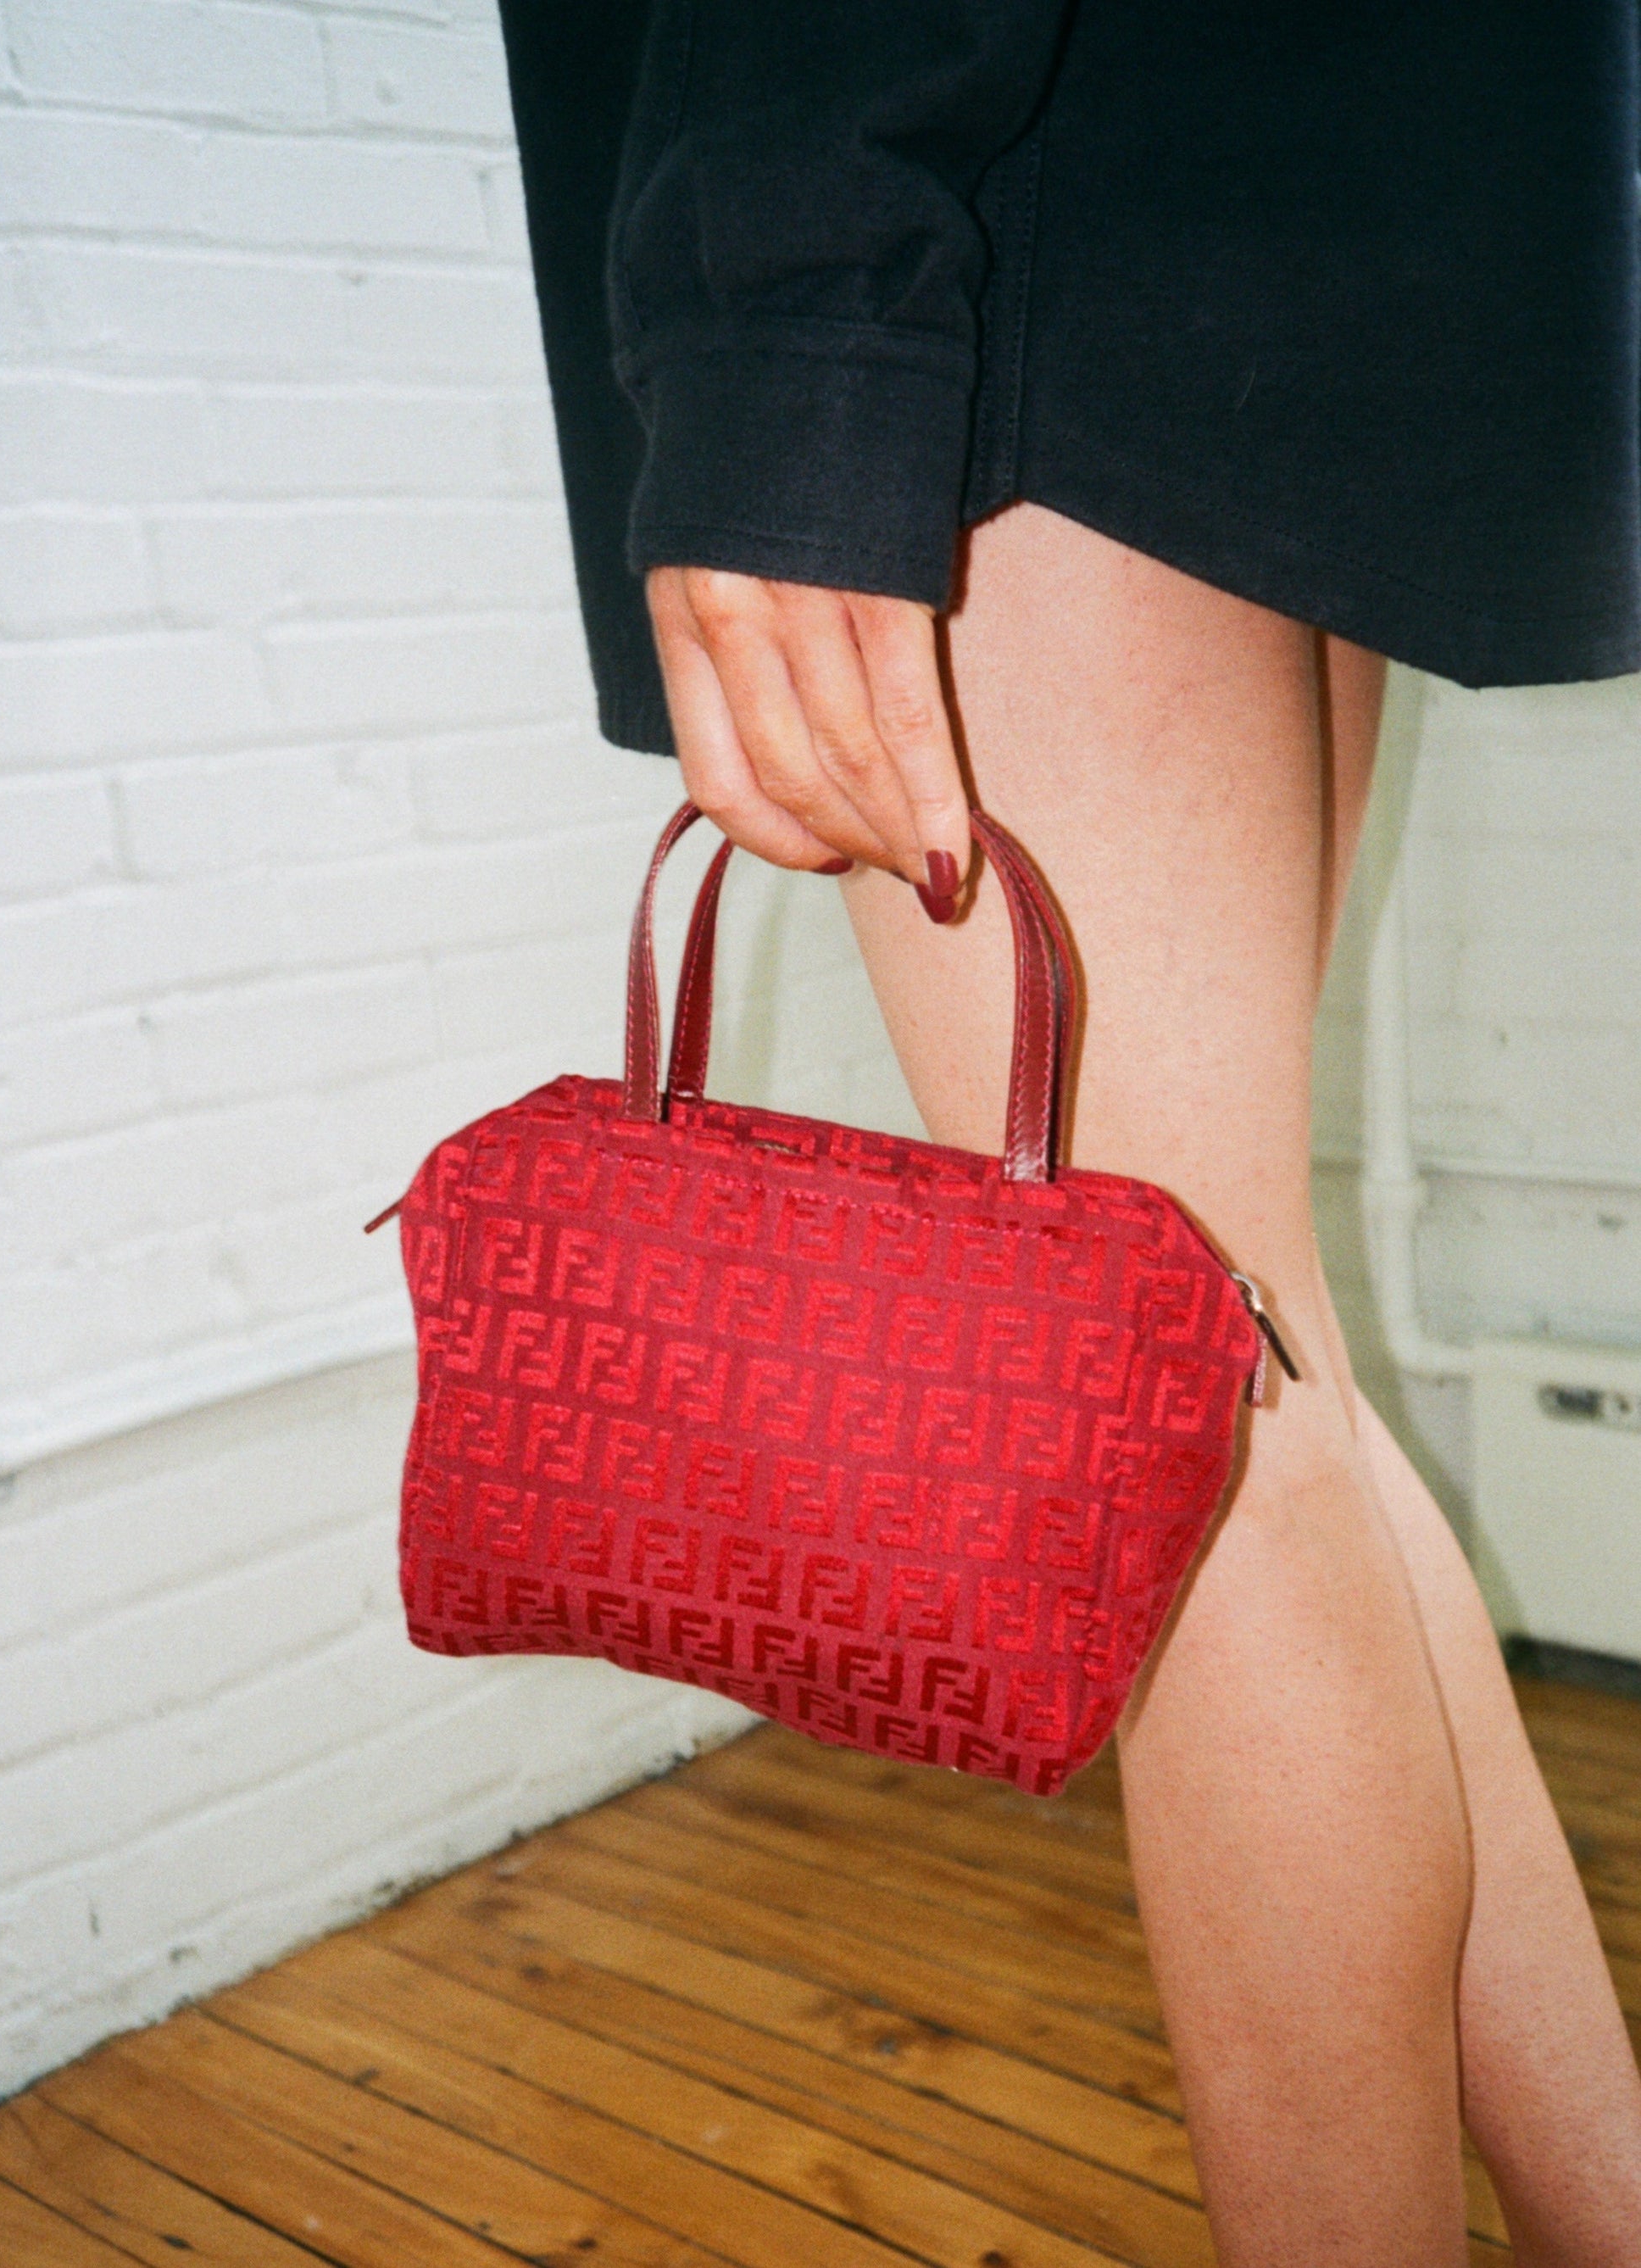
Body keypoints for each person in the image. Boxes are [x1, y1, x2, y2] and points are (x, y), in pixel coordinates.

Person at [494, 4, 1641, 2257]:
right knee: (1255, 1378)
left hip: (988, 256)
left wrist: (783, 335)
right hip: (1251, 192)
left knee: (1190, 1449)